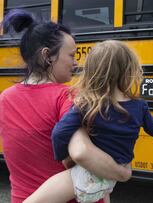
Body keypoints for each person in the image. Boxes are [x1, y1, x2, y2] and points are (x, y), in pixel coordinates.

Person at [24, 40, 153, 203]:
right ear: (129, 71)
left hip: (86, 176)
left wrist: (63, 158)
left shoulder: (87, 105)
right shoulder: (139, 106)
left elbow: (60, 133)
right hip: (111, 178)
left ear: (92, 72)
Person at [0, 10, 131, 203]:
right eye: (71, 55)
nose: (76, 62)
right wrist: (122, 172)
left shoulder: (5, 98)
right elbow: (82, 152)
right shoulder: (67, 96)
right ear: (48, 56)